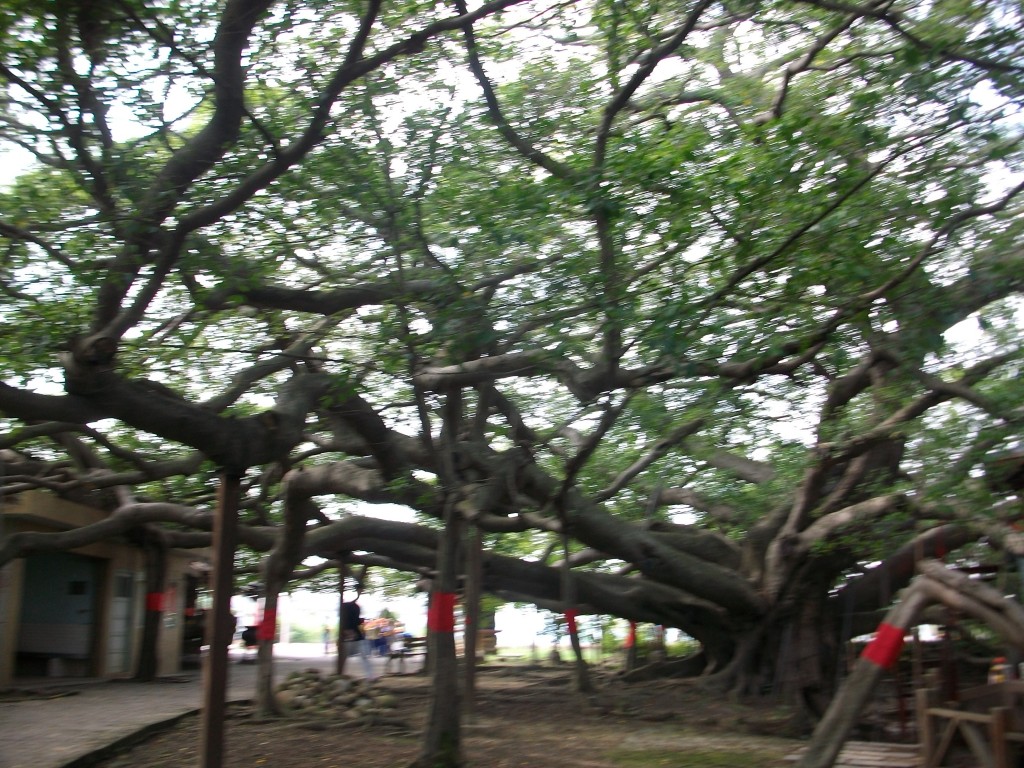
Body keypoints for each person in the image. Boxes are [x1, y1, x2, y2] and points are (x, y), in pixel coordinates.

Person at [340, 601, 375, 680]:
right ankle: (370, 676)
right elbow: (358, 624)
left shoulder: (345, 619)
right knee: (365, 658)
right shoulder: (355, 617)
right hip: (357, 638)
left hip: (348, 638)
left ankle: (341, 674)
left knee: (344, 657)